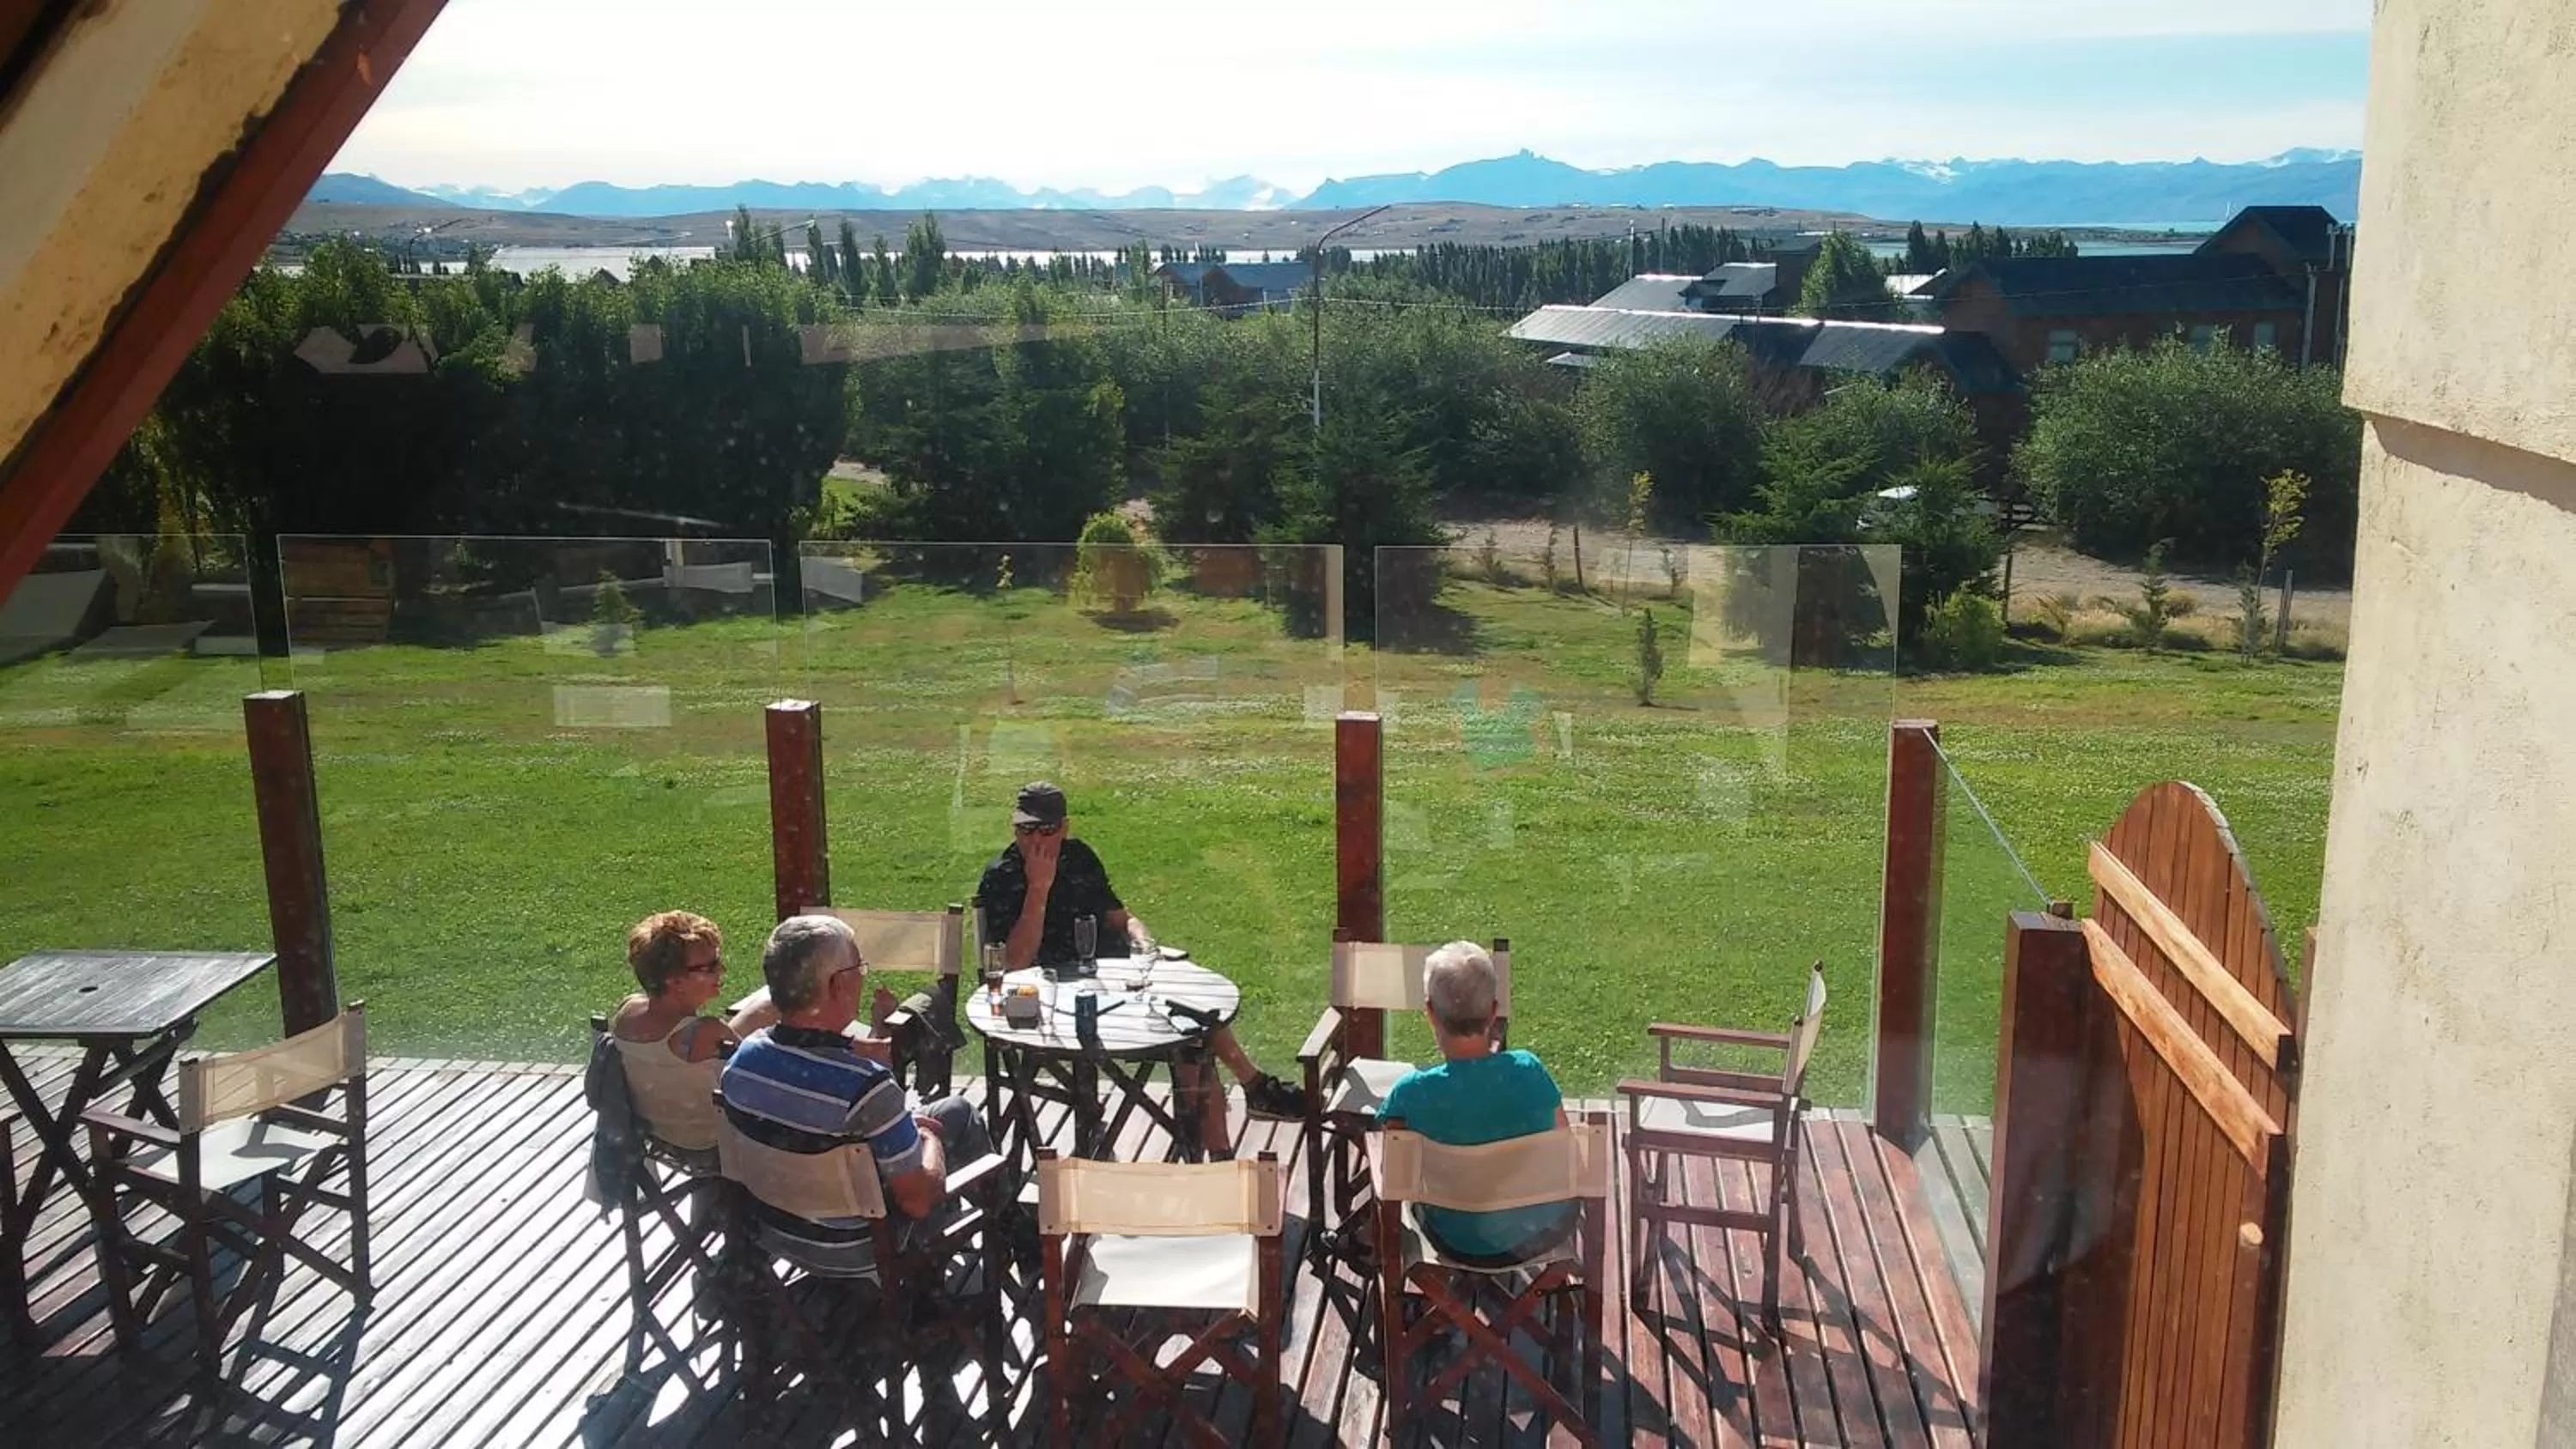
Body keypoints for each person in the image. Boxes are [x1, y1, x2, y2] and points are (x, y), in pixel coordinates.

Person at [976, 780, 1308, 1149]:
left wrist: (1144, 941)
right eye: (1026, 829)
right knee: (1194, 1039)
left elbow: (1122, 918)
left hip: (1113, 985)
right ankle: (1254, 1089)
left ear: (1065, 828)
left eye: (1047, 829)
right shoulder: (1002, 876)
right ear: (1014, 828)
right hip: (1051, 1008)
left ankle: (1220, 1160)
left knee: (1195, 1031)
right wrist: (1039, 888)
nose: (1036, 839)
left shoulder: (1079, 857)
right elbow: (1014, 965)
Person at [719, 914, 996, 1275]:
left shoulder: (742, 1063)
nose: (863, 976)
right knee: (957, 1125)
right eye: (858, 968)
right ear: (837, 985)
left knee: (954, 1109)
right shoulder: (867, 1089)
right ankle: (1018, 1242)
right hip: (862, 1250)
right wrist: (929, 1140)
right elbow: (918, 1201)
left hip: (777, 1234)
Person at [1377, 940, 1576, 1267]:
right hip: (1539, 1232)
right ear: (1494, 1011)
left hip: (1457, 1239)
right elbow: (1565, 1148)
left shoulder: (1411, 1094)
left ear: (1430, 1013)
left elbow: (1394, 1175)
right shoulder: (1529, 1071)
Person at [612, 910, 735, 1065]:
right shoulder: (708, 1032)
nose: (721, 969)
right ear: (674, 980)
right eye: (709, 967)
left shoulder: (627, 1010)